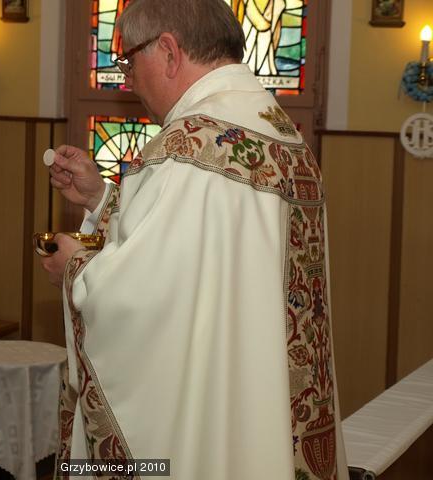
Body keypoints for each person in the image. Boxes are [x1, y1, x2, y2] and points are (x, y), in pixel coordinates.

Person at [41, 1, 349, 479]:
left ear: (168, 51)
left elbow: (140, 300)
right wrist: (101, 198)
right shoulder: (281, 134)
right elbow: (196, 249)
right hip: (268, 409)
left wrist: (75, 270)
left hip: (213, 425)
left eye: (129, 61)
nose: (128, 80)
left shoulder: (185, 150)